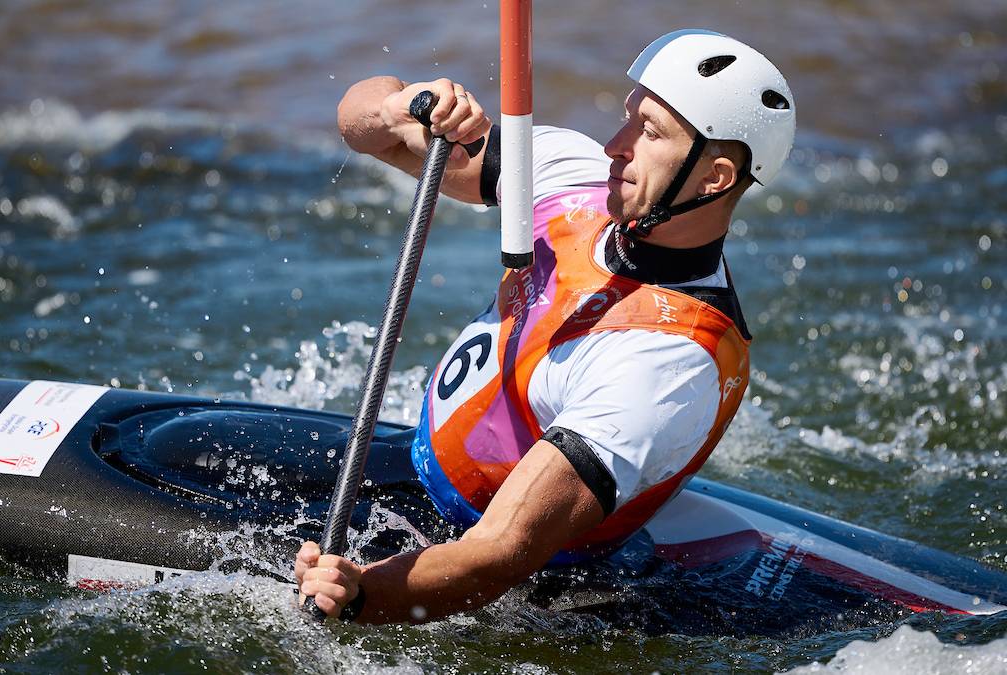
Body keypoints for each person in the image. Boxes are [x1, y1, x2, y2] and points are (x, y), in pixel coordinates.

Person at [295, 28, 795, 624]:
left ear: (713, 178)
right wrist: (404, 106)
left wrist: (361, 594)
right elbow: (368, 131)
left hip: (480, 561)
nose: (615, 145)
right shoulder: (574, 176)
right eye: (629, 118)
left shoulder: (668, 361)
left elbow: (498, 554)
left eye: (650, 134)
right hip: (408, 464)